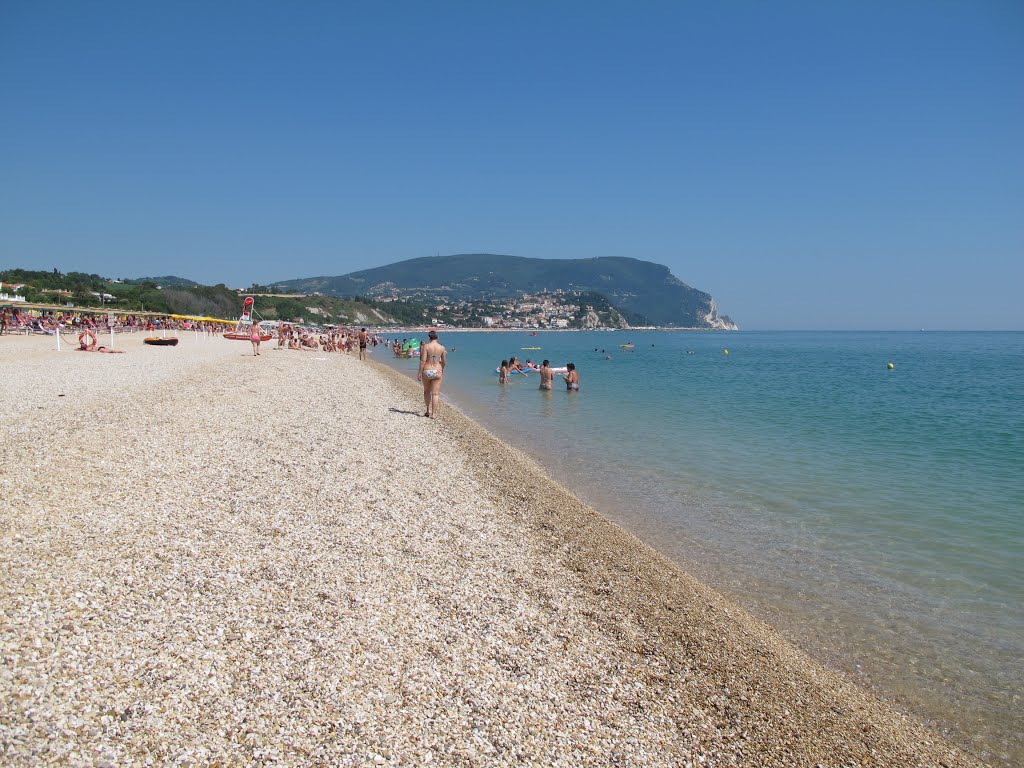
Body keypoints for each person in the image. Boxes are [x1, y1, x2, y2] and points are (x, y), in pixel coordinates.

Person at [417, 330, 447, 418]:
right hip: (437, 370)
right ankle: (433, 414)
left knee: (427, 391)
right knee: (435, 394)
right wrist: (442, 369)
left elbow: (423, 361)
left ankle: (427, 410)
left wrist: (419, 372)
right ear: (437, 337)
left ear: (429, 337)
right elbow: (444, 361)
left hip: (427, 370)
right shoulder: (442, 348)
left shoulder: (426, 346)